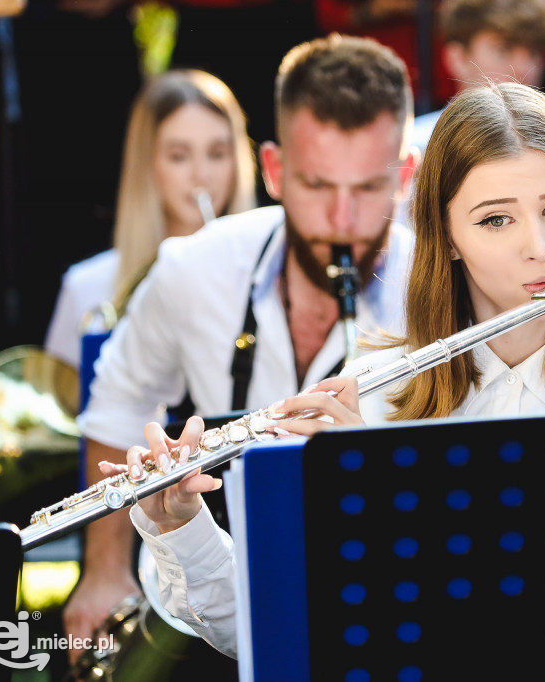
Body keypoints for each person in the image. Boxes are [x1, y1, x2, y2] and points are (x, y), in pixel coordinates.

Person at [101, 81, 545, 658]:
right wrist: (183, 527)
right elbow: (277, 634)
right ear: (448, 236)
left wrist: (393, 492)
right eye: (496, 219)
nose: (540, 246)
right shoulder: (376, 396)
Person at [62, 34, 417, 665]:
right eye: (315, 185)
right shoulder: (193, 268)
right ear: (274, 171)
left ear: (405, 176)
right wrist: (104, 569)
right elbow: (117, 405)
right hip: (209, 585)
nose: (341, 220)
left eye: (368, 189)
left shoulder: (444, 290)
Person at [44, 69, 257, 371]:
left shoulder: (267, 283)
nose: (202, 175)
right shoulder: (87, 288)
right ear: (148, 163)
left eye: (217, 153)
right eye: (179, 156)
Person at [408, 0, 545, 153]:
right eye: (504, 50)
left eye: (534, 52)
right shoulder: (413, 150)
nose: (525, 67)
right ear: (457, 58)